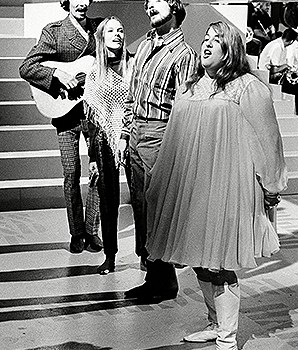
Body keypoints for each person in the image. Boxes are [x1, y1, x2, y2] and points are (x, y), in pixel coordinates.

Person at [145, 21, 287, 349]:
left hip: (229, 191)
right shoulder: (190, 87)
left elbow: (267, 139)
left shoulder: (247, 88)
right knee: (199, 257)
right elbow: (175, 136)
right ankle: (214, 323)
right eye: (205, 39)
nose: (206, 45)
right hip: (194, 188)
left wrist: (271, 184)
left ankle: (227, 337)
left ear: (231, 50)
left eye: (216, 40)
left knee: (220, 264)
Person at [118, 0, 197, 300]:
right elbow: (131, 94)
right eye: (148, 2)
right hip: (137, 130)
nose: (150, 5)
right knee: (141, 207)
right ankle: (156, 276)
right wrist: (126, 134)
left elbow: (183, 107)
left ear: (175, 6)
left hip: (160, 131)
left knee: (158, 209)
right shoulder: (145, 46)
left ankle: (164, 281)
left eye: (158, 1)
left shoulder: (183, 54)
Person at [19, 0, 103, 253]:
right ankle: (76, 232)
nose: (82, 3)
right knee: (71, 174)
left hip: (95, 114)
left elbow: (117, 56)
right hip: (65, 114)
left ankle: (92, 230)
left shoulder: (99, 28)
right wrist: (57, 74)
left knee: (98, 172)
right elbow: (26, 67)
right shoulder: (54, 31)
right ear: (67, 2)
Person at [83, 16, 134, 274]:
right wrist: (92, 155)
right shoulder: (95, 71)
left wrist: (124, 134)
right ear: (101, 37)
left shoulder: (133, 65)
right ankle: (110, 256)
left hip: (132, 135)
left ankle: (145, 255)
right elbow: (91, 116)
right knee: (108, 200)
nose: (117, 34)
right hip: (103, 138)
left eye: (121, 29)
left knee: (142, 199)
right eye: (111, 30)